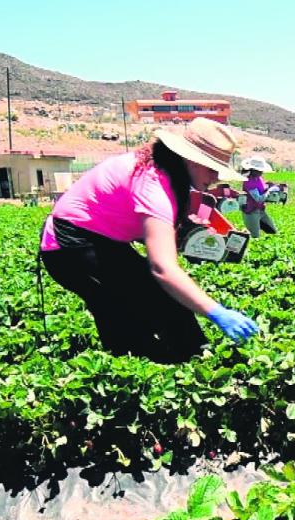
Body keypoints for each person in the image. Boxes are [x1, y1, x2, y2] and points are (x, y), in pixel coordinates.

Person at [38, 118, 259, 363]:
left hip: (100, 240)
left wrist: (191, 240)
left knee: (157, 305)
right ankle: (162, 367)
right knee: (132, 319)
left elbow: (154, 232)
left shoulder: (163, 171)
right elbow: (162, 268)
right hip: (70, 245)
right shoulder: (155, 185)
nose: (216, 177)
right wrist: (216, 312)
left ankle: (191, 360)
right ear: (191, 160)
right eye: (211, 168)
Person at [239, 157, 279, 238]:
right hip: (251, 212)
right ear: (253, 170)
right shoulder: (249, 181)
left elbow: (262, 190)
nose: (261, 172)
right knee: (254, 237)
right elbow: (258, 199)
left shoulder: (259, 179)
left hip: (260, 211)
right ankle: (242, 234)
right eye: (259, 170)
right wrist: (269, 191)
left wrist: (269, 186)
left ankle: (247, 230)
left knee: (273, 232)